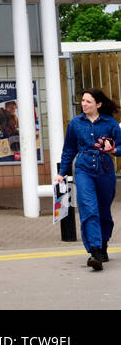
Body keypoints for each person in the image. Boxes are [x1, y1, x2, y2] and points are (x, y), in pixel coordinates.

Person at [56, 88, 121, 271]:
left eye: (88, 102)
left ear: (98, 104)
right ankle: (95, 250)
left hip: (105, 169)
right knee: (88, 207)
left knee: (103, 211)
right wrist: (62, 172)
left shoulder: (110, 123)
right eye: (82, 101)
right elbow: (69, 150)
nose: (83, 104)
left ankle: (103, 243)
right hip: (83, 169)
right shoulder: (76, 124)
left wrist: (114, 150)